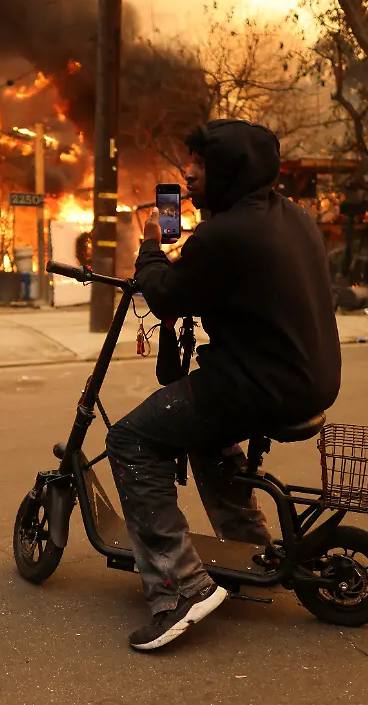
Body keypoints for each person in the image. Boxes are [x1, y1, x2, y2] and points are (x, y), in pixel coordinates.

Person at [106, 119, 341, 651]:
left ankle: (179, 587)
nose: (187, 174)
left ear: (230, 171)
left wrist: (148, 249)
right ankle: (248, 547)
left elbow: (166, 298)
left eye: (199, 165)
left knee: (130, 439)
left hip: (257, 384)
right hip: (308, 379)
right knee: (201, 431)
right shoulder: (292, 219)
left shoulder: (224, 234)